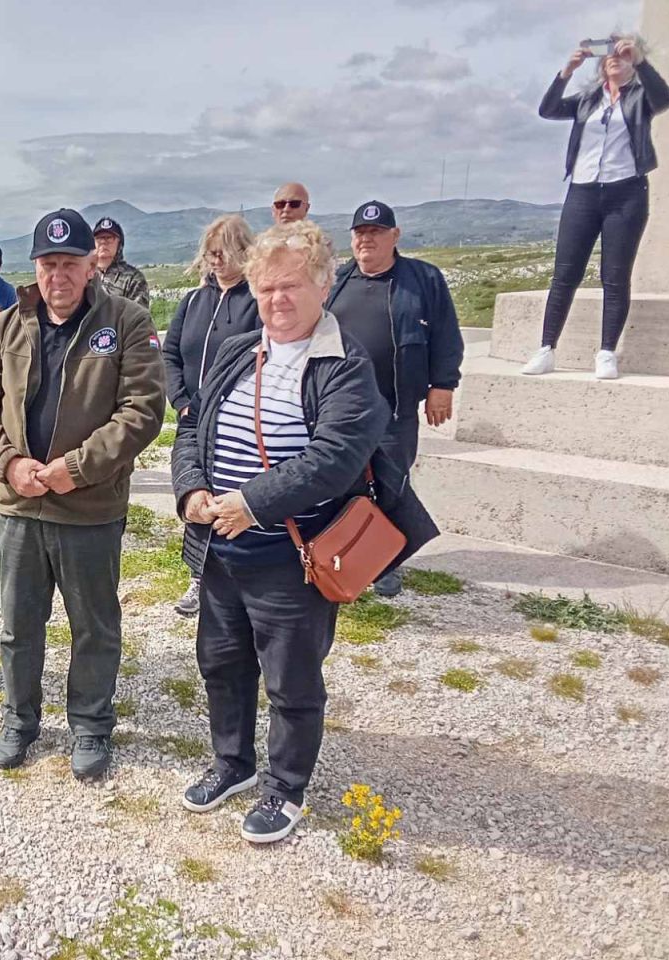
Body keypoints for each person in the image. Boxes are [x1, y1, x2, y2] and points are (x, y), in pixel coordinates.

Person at [172, 220, 401, 844]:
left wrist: (251, 503)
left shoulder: (347, 366)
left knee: (291, 681)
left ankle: (285, 787)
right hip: (222, 548)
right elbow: (194, 426)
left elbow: (335, 457)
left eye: (292, 286)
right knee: (220, 663)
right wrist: (191, 489)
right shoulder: (235, 350)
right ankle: (232, 764)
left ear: (323, 284)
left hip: (292, 556)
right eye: (267, 287)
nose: (278, 299)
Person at [0, 207, 165, 779]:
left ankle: (91, 726)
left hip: (89, 508)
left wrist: (77, 468)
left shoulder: (125, 321)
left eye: (70, 263)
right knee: (18, 625)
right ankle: (19, 720)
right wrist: (7, 463)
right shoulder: (7, 325)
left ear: (89, 265)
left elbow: (143, 410)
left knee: (93, 626)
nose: (59, 275)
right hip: (19, 506)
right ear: (36, 267)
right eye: (48, 263)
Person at [324, 200, 463, 597]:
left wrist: (443, 386)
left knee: (391, 485)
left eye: (377, 232)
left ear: (395, 236)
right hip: (344, 408)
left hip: (396, 407)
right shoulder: (338, 283)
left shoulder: (423, 279)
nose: (367, 239)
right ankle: (344, 555)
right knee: (343, 482)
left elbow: (447, 337)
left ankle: (386, 563)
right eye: (361, 233)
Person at [523, 34, 669, 380]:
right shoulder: (588, 100)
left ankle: (606, 352)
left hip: (627, 192)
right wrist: (567, 71)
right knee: (565, 274)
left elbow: (664, 99)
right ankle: (546, 348)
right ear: (601, 66)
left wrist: (641, 62)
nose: (614, 58)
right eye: (609, 55)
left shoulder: (640, 97)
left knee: (615, 276)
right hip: (583, 192)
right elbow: (548, 109)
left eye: (622, 54)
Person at [161, 213, 260, 617]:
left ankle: (236, 580)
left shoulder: (255, 302)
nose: (215, 262)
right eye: (209, 255)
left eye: (222, 254)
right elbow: (170, 352)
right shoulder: (193, 301)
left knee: (229, 497)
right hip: (192, 417)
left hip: (233, 420)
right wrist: (180, 399)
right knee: (195, 493)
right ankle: (199, 579)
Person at [92, 216, 150, 306]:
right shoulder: (85, 274)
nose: (103, 242)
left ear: (119, 244)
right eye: (99, 238)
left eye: (109, 238)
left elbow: (138, 317)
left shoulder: (133, 279)